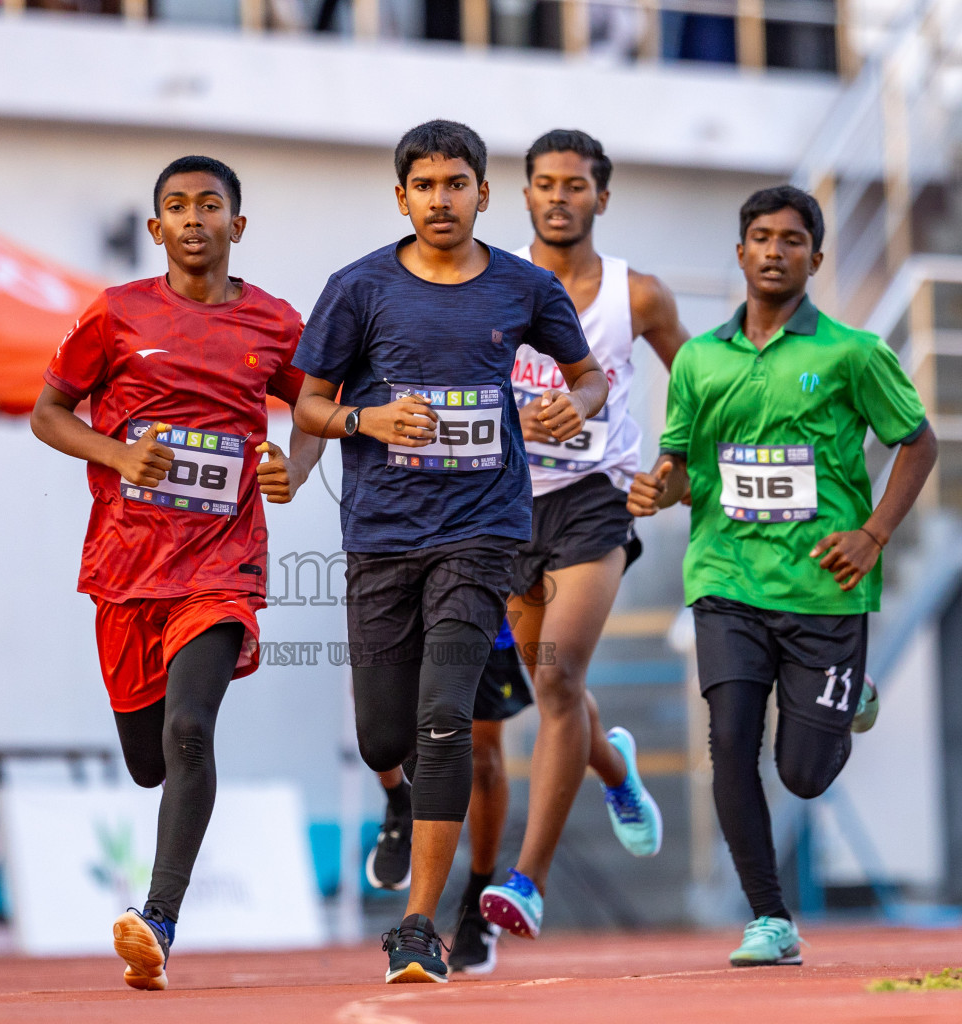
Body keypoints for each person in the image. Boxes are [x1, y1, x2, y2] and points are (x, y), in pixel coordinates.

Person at [292, 119, 606, 984]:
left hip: (483, 532)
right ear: (402, 197)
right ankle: (398, 804)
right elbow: (310, 403)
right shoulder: (356, 288)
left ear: (482, 193)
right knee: (382, 733)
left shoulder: (523, 286)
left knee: (446, 722)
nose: (441, 199)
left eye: (456, 184)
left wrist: (576, 403)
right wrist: (367, 420)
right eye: (424, 186)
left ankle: (419, 924)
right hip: (383, 536)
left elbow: (588, 373)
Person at [31, 155, 323, 992]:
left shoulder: (273, 322)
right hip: (126, 567)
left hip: (222, 564)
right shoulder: (115, 315)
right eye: (175, 207)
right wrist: (119, 451)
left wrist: (294, 468)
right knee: (150, 758)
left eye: (210, 205)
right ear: (156, 230)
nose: (194, 218)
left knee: (190, 730)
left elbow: (314, 407)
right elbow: (48, 413)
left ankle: (157, 919)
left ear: (238, 224)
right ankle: (159, 871)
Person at [628, 185, 937, 966]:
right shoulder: (699, 359)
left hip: (823, 586)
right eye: (760, 237)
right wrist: (656, 487)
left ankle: (846, 692)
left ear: (815, 258)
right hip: (726, 577)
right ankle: (769, 917)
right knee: (730, 742)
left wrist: (874, 533)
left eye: (791, 239)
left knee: (801, 775)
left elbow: (919, 442)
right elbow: (691, 470)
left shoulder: (852, 353)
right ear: (740, 253)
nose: (773, 250)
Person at [476, 128, 684, 944]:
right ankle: (616, 768)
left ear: (602, 196)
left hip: (595, 501)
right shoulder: (490, 288)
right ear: (523, 195)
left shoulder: (638, 296)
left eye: (576, 185)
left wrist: (675, 468)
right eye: (545, 184)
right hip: (507, 506)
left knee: (559, 683)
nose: (560, 197)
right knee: (543, 683)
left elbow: (704, 385)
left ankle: (528, 883)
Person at [362, 617, 533, 977]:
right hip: (395, 577)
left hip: (472, 588)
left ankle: (476, 899)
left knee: (481, 753)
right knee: (380, 721)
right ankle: (398, 805)